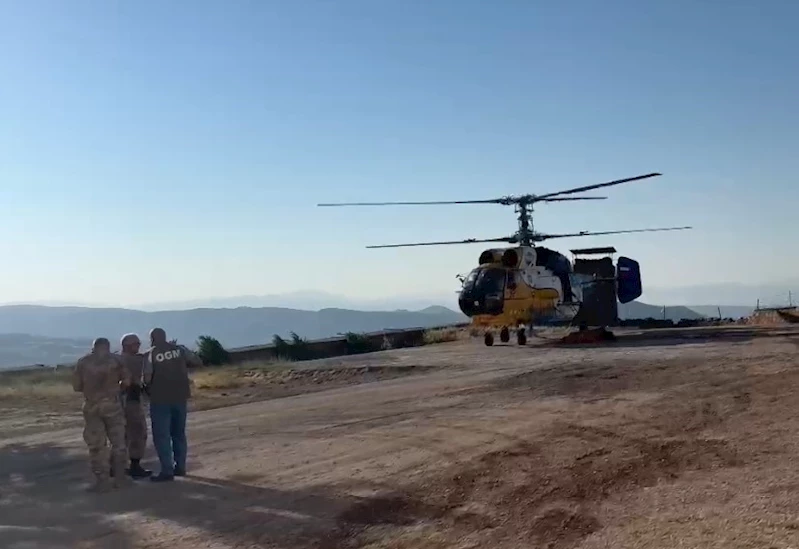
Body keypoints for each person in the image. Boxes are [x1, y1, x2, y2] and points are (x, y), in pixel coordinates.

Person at [72, 337, 133, 492]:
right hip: (113, 405)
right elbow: (127, 382)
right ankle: (120, 478)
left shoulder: (83, 362)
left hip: (92, 407)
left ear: (93, 347)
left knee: (97, 445)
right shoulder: (117, 361)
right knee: (119, 443)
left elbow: (77, 386)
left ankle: (102, 481)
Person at [142, 327, 203, 482]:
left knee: (162, 436)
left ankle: (167, 470)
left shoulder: (150, 354)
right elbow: (196, 361)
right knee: (178, 433)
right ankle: (180, 467)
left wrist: (145, 387)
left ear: (152, 339)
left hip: (160, 399)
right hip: (180, 396)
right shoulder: (179, 349)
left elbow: (147, 378)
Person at [117, 333, 152, 479]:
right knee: (138, 432)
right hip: (131, 400)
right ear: (127, 345)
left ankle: (116, 466)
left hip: (116, 401)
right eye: (136, 344)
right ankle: (135, 465)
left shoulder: (115, 360)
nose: (138, 346)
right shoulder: (136, 360)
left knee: (119, 434)